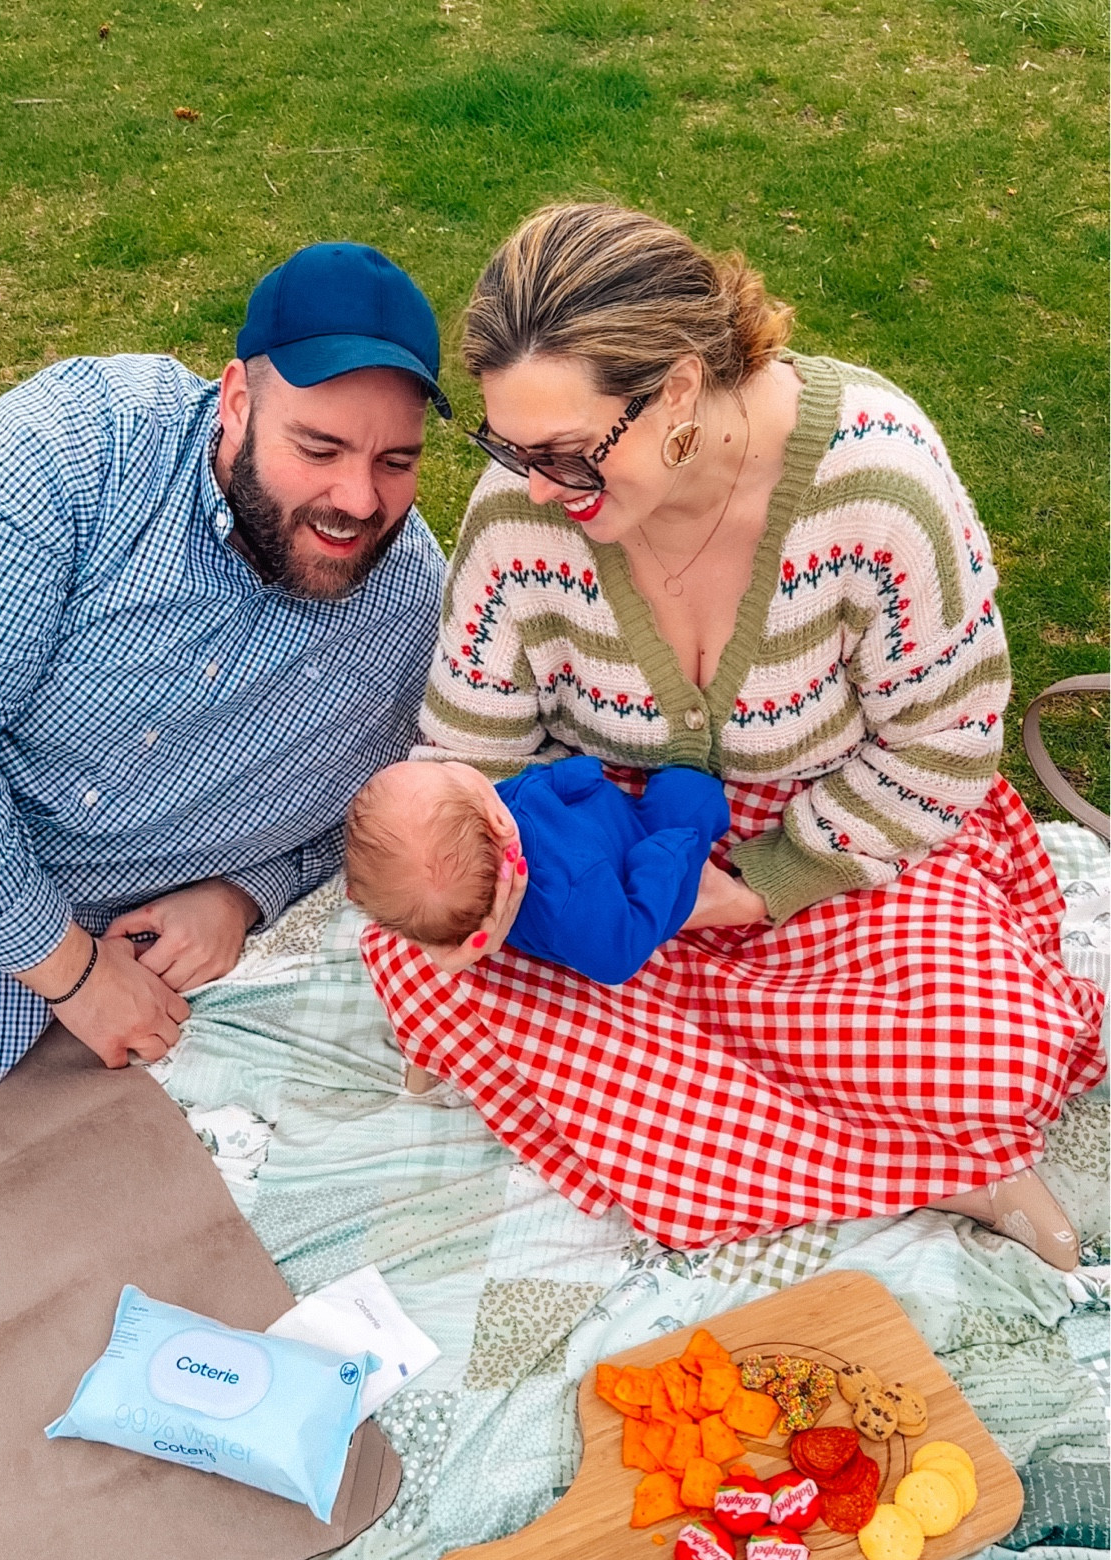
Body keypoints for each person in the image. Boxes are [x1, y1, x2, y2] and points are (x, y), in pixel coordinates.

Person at [360, 202, 1106, 1270]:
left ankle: (843, 1137)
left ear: (674, 392)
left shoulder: (877, 484)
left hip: (838, 837)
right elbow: (469, 752)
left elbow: (944, 745)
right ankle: (940, 1165)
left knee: (984, 1051)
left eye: (564, 453)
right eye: (506, 445)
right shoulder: (521, 515)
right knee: (421, 948)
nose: (530, 486)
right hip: (607, 859)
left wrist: (761, 883)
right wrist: (523, 880)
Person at [0, 241, 450, 1082]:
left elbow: (382, 813)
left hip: (93, 1060)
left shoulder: (414, 612)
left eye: (395, 462)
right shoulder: (70, 457)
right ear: (234, 402)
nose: (360, 501)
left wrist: (244, 891)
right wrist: (66, 967)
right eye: (321, 449)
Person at [343, 755, 731, 982]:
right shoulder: (566, 904)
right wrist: (661, 857)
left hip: (609, 820)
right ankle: (701, 896)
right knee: (693, 795)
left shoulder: (500, 809)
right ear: (495, 821)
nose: (450, 759)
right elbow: (619, 957)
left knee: (679, 789)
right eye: (447, 767)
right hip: (638, 867)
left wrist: (582, 773)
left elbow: (545, 781)